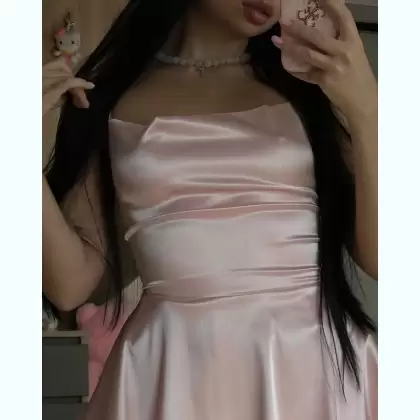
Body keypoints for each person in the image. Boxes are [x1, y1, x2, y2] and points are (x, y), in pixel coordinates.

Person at [42, 0, 378, 418]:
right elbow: (70, 285)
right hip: (175, 372)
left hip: (311, 370)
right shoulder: (108, 95)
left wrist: (368, 110)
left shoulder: (315, 89)